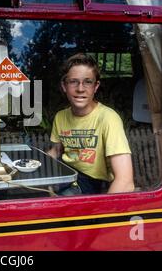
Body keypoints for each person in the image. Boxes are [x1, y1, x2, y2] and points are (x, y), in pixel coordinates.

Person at [47, 53, 135, 195]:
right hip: (65, 173)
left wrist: (102, 215)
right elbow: (56, 151)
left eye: (88, 82)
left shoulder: (108, 118)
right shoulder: (61, 116)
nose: (80, 88)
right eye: (73, 81)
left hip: (91, 181)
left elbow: (125, 182)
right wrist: (35, 164)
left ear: (96, 86)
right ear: (64, 85)